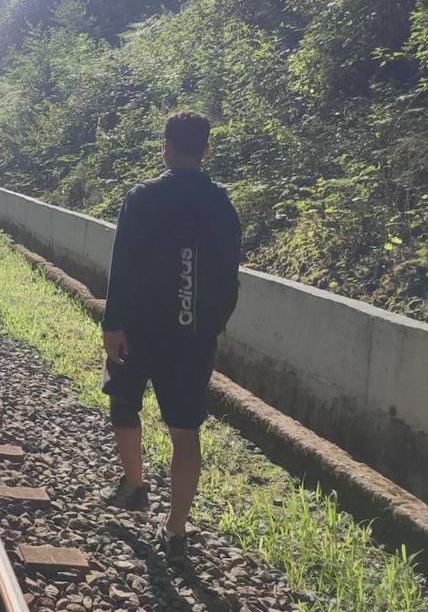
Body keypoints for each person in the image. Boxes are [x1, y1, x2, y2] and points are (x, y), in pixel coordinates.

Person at [99, 111, 242, 567]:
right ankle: (176, 528)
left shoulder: (142, 198)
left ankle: (135, 486)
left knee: (123, 402)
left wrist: (112, 324)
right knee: (185, 431)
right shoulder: (221, 204)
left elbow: (122, 266)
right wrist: (208, 325)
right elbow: (229, 277)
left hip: (139, 330)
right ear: (205, 150)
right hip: (193, 336)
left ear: (165, 146)